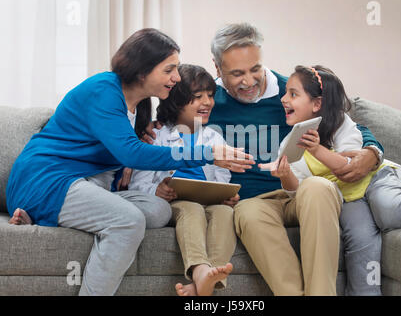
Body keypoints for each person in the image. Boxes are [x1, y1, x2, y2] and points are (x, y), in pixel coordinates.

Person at [6, 28, 254, 296]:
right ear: (142, 70)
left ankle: (45, 217)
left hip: (85, 184)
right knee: (129, 220)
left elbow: (126, 150)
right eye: (169, 69)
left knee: (159, 211)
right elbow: (130, 152)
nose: (176, 77)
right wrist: (207, 153)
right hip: (47, 179)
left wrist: (130, 156)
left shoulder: (139, 106)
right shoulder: (103, 90)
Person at [206, 23, 386, 296]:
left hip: (302, 191)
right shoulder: (207, 102)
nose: (250, 81)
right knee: (248, 212)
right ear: (218, 69)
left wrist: (372, 153)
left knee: (319, 187)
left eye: (255, 68)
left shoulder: (288, 93)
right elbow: (173, 132)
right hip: (255, 202)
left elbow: (346, 124)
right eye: (237, 73)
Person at [260, 64, 401, 295]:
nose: (283, 99)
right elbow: (297, 192)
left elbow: (351, 170)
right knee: (360, 238)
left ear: (317, 103)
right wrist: (286, 175)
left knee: (390, 209)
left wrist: (318, 150)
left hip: (373, 179)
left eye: (292, 93)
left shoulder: (341, 124)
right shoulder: (290, 143)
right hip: (348, 198)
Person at [127, 64, 237, 296]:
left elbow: (223, 179)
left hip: (210, 201)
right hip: (176, 202)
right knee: (192, 209)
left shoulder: (214, 137)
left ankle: (209, 278)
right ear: (177, 102)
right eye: (197, 97)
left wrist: (228, 195)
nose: (207, 102)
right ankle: (199, 269)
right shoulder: (157, 136)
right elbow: (138, 184)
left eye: (209, 96)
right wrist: (156, 190)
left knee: (225, 213)